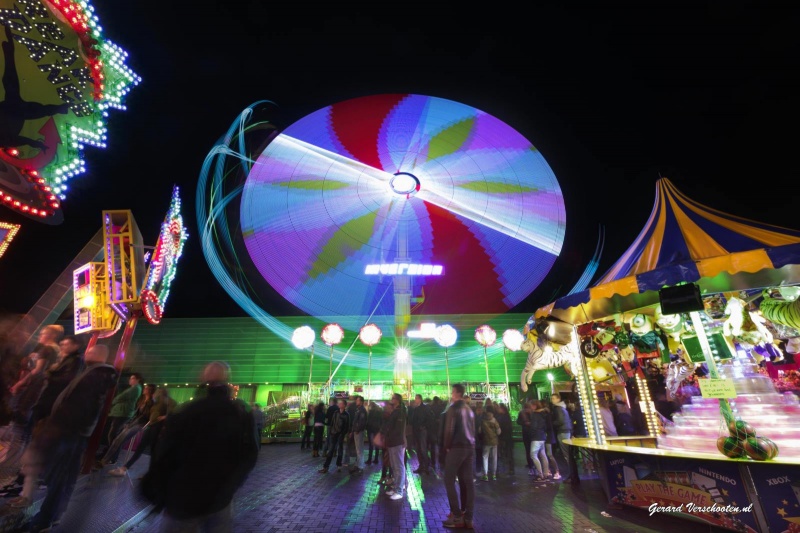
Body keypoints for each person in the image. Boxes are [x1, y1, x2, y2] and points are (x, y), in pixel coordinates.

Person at [140, 361, 258, 531]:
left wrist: (159, 492)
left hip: (183, 498)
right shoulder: (240, 412)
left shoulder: (185, 411)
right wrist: (232, 484)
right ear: (228, 380)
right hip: (220, 497)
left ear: (202, 379)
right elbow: (250, 454)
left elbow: (164, 455)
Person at [24, 343, 117, 532]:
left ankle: (46, 519)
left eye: (91, 351)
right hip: (70, 433)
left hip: (69, 433)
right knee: (62, 477)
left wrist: (55, 427)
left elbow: (78, 407)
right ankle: (53, 515)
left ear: (99, 354)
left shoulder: (97, 375)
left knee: (60, 477)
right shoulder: (93, 373)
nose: (87, 352)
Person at [109, 386, 177, 477]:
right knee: (141, 448)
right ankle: (124, 468)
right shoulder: (157, 402)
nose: (158, 392)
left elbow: (174, 413)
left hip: (159, 428)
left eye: (160, 391)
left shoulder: (169, 401)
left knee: (153, 452)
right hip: (151, 426)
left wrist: (164, 417)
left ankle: (151, 474)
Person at [441, 383, 476, 529]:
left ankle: (456, 515)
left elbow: (449, 430)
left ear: (456, 393)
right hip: (469, 447)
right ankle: (468, 517)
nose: (451, 394)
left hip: (457, 446)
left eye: (452, 392)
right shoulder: (469, 409)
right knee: (468, 481)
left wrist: (446, 447)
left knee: (449, 480)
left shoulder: (453, 408)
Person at [98, 384, 156, 467]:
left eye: (146, 388)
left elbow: (145, 416)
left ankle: (105, 460)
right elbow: (137, 414)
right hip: (134, 423)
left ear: (149, 390)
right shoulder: (143, 400)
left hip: (139, 425)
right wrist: (129, 423)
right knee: (117, 440)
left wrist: (135, 423)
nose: (144, 389)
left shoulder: (151, 402)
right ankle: (108, 459)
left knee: (120, 440)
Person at [99, 373, 143, 457]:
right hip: (121, 413)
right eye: (130, 378)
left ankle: (111, 455)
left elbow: (122, 396)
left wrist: (113, 401)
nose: (130, 380)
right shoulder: (134, 388)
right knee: (113, 434)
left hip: (122, 413)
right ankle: (110, 453)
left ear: (138, 380)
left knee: (113, 435)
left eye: (133, 378)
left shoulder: (135, 388)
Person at [384, 393, 407, 501]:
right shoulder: (396, 411)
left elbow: (397, 428)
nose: (391, 400)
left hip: (396, 442)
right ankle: (397, 486)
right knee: (395, 466)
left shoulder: (400, 412)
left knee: (398, 466)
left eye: (393, 398)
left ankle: (399, 490)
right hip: (393, 442)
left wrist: (390, 436)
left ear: (397, 400)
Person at [318, 399, 349, 474]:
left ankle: (338, 465)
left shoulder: (346, 415)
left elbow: (347, 426)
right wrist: (332, 432)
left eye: (341, 403)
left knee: (340, 450)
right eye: (339, 403)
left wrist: (343, 434)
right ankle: (326, 466)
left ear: (344, 405)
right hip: (334, 433)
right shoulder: (336, 413)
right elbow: (332, 422)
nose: (339, 404)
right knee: (331, 450)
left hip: (340, 434)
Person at [410, 393, 434, 475]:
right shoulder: (417, 408)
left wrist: (424, 426)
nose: (415, 400)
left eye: (416, 398)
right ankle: (422, 466)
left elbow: (429, 418)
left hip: (421, 431)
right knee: (419, 449)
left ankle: (426, 467)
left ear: (420, 399)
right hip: (417, 431)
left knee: (423, 449)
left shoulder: (423, 408)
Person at [528, 400, 550, 481]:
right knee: (543, 455)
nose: (530, 407)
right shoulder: (543, 413)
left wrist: (531, 434)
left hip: (536, 437)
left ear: (534, 406)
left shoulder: (535, 414)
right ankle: (546, 473)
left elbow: (534, 426)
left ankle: (540, 475)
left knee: (533, 455)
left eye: (531, 405)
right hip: (542, 436)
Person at [549, 392, 572, 469]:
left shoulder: (558, 408)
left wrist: (552, 423)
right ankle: (571, 471)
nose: (552, 400)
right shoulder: (562, 407)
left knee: (566, 452)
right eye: (551, 398)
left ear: (558, 399)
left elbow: (560, 421)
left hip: (562, 431)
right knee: (567, 452)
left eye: (553, 398)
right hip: (566, 430)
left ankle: (571, 472)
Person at [480, 405, 501, 481]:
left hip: (486, 442)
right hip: (494, 442)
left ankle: (485, 475)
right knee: (494, 458)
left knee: (485, 457)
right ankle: (494, 475)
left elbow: (480, 431)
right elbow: (499, 432)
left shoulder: (483, 421)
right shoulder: (495, 421)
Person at [495, 403, 514, 476]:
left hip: (504, 437)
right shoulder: (504, 416)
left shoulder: (503, 417)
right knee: (507, 453)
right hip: (505, 437)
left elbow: (505, 427)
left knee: (507, 453)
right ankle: (508, 468)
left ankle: (508, 469)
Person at [349, 395, 367, 474]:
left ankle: (360, 466)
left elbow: (361, 421)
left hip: (358, 431)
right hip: (357, 431)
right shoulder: (359, 410)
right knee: (358, 449)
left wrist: (357, 429)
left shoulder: (362, 410)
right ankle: (358, 465)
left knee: (359, 449)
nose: (357, 401)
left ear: (361, 402)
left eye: (358, 400)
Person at [516, 401, 535, 475]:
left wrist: (524, 423)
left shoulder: (522, 412)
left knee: (528, 450)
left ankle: (531, 466)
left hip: (526, 432)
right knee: (533, 450)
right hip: (532, 433)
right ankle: (533, 465)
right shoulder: (533, 412)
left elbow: (518, 421)